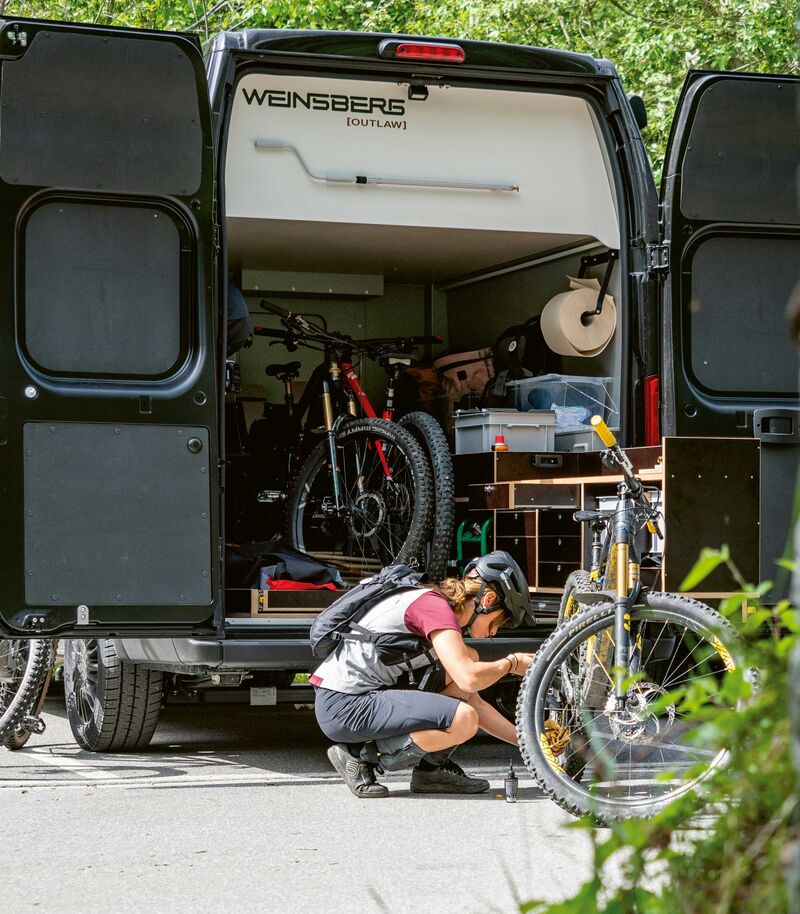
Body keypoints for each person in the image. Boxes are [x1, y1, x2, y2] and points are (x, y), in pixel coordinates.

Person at [312, 551, 536, 798]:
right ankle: (362, 757)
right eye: (498, 623)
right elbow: (468, 678)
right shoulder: (433, 607)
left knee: (468, 661)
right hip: (345, 705)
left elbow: (473, 698)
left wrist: (531, 743)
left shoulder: (435, 606)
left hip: (356, 698)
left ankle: (431, 772)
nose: (494, 633)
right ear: (489, 599)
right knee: (463, 719)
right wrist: (512, 663)